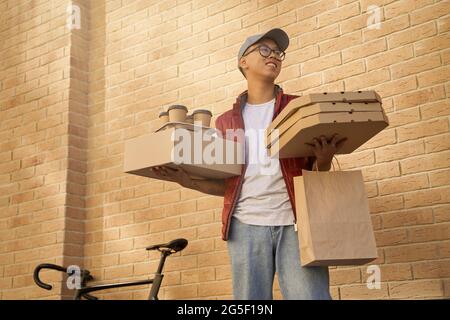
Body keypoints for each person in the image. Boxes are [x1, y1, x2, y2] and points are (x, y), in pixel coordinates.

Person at [150, 28, 347, 300]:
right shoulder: (225, 121)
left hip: (297, 224)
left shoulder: (298, 108)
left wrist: (324, 161)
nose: (274, 56)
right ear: (243, 61)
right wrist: (188, 181)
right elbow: (229, 186)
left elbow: (315, 176)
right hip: (245, 226)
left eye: (278, 52)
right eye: (264, 50)